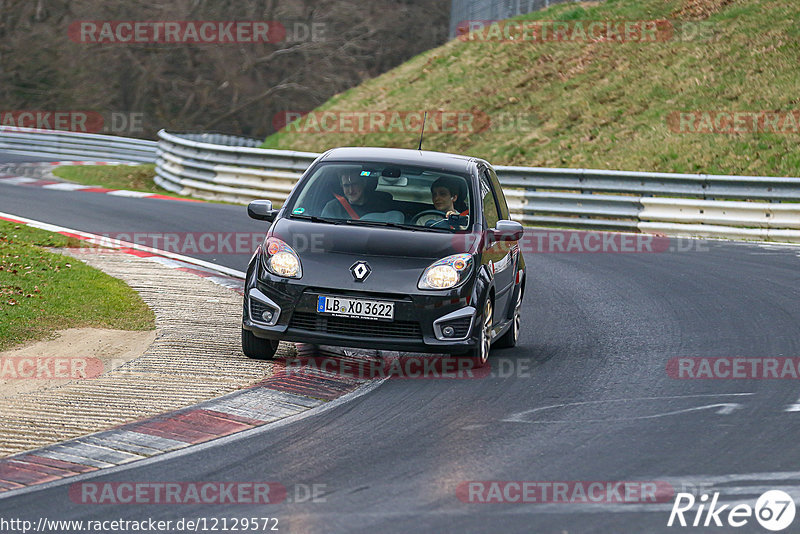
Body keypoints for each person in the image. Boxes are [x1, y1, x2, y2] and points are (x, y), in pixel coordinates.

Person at [321, 171, 396, 220]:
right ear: (341, 186)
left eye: (354, 184)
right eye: (346, 186)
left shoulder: (381, 205)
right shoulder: (332, 208)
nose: (351, 190)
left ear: (364, 183)